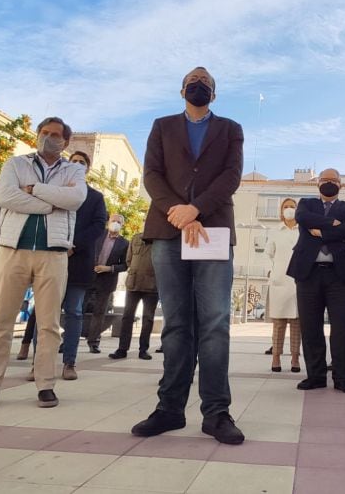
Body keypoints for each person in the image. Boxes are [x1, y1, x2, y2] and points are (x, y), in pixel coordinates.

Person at [131, 67, 245, 445]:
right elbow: (152, 175)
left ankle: (216, 413)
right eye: (194, 81)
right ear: (181, 89)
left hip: (212, 228)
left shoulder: (230, 128)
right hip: (168, 230)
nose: (200, 85)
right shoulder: (162, 125)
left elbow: (231, 176)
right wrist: (177, 212)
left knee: (215, 324)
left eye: (207, 83)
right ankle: (169, 409)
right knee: (177, 323)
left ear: (214, 93)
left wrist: (195, 209)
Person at [0, 117, 87, 410]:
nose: (49, 138)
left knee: (49, 325)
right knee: (2, 322)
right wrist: (50, 204)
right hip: (13, 250)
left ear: (66, 142)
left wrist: (34, 189)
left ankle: (45, 385)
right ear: (36, 136)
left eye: (55, 135)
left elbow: (76, 198)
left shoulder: (74, 169)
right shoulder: (15, 164)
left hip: (54, 253)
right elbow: (5, 196)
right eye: (44, 133)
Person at [16, 150, 107, 374]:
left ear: (87, 169)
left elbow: (98, 225)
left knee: (74, 312)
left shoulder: (95, 197)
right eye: (73, 161)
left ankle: (69, 362)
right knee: (46, 313)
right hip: (50, 257)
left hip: (78, 261)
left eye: (82, 162)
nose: (77, 164)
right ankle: (39, 364)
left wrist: (72, 244)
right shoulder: (50, 191)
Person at [287, 168, 345, 394]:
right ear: (317, 183)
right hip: (308, 273)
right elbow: (302, 218)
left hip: (339, 274)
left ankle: (343, 378)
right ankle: (316, 376)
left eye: (333, 180)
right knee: (310, 327)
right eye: (324, 180)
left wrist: (322, 231)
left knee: (343, 328)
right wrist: (334, 225)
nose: (328, 183)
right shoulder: (306, 204)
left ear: (341, 184)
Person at [85, 213, 130, 353]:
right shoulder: (97, 235)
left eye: (118, 222)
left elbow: (125, 265)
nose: (115, 223)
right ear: (108, 222)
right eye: (113, 220)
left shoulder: (124, 243)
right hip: (87, 277)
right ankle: (69, 339)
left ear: (122, 225)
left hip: (107, 281)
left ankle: (93, 342)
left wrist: (109, 268)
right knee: (78, 309)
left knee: (99, 312)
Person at [110, 230, 158, 360]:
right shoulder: (136, 238)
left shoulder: (159, 240)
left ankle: (143, 349)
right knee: (127, 317)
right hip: (133, 283)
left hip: (152, 285)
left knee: (148, 318)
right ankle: (122, 349)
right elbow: (129, 259)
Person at [267, 198, 301, 373]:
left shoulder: (303, 231)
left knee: (296, 323)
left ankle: (295, 358)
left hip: (297, 282)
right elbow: (267, 255)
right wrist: (271, 274)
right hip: (279, 280)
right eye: (286, 207)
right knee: (278, 323)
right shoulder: (274, 231)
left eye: (292, 207)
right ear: (281, 211)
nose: (289, 209)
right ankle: (276, 358)